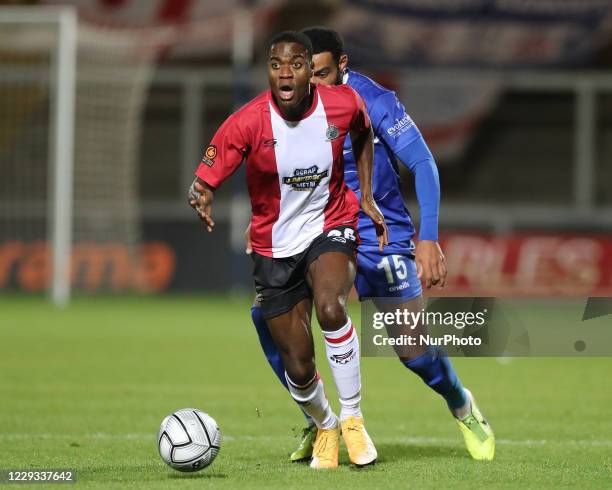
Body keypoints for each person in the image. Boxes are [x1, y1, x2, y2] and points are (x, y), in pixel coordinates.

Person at [247, 27, 495, 462]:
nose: (312, 84)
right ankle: (319, 421)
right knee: (269, 318)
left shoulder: (375, 102)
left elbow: (422, 163)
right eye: (307, 73)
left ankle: (462, 404)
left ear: (342, 67)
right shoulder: (284, 109)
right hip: (316, 234)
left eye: (322, 73)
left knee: (413, 351)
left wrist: (429, 238)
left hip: (379, 236)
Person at [188, 30, 388, 469]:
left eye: (296, 64)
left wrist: (367, 196)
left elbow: (363, 133)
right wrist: (201, 192)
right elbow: (205, 174)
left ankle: (353, 419)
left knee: (332, 309)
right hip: (273, 247)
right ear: (269, 70)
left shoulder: (341, 102)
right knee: (298, 367)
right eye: (276, 64)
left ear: (308, 72)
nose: (285, 72)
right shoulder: (247, 122)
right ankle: (326, 424)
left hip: (331, 225)